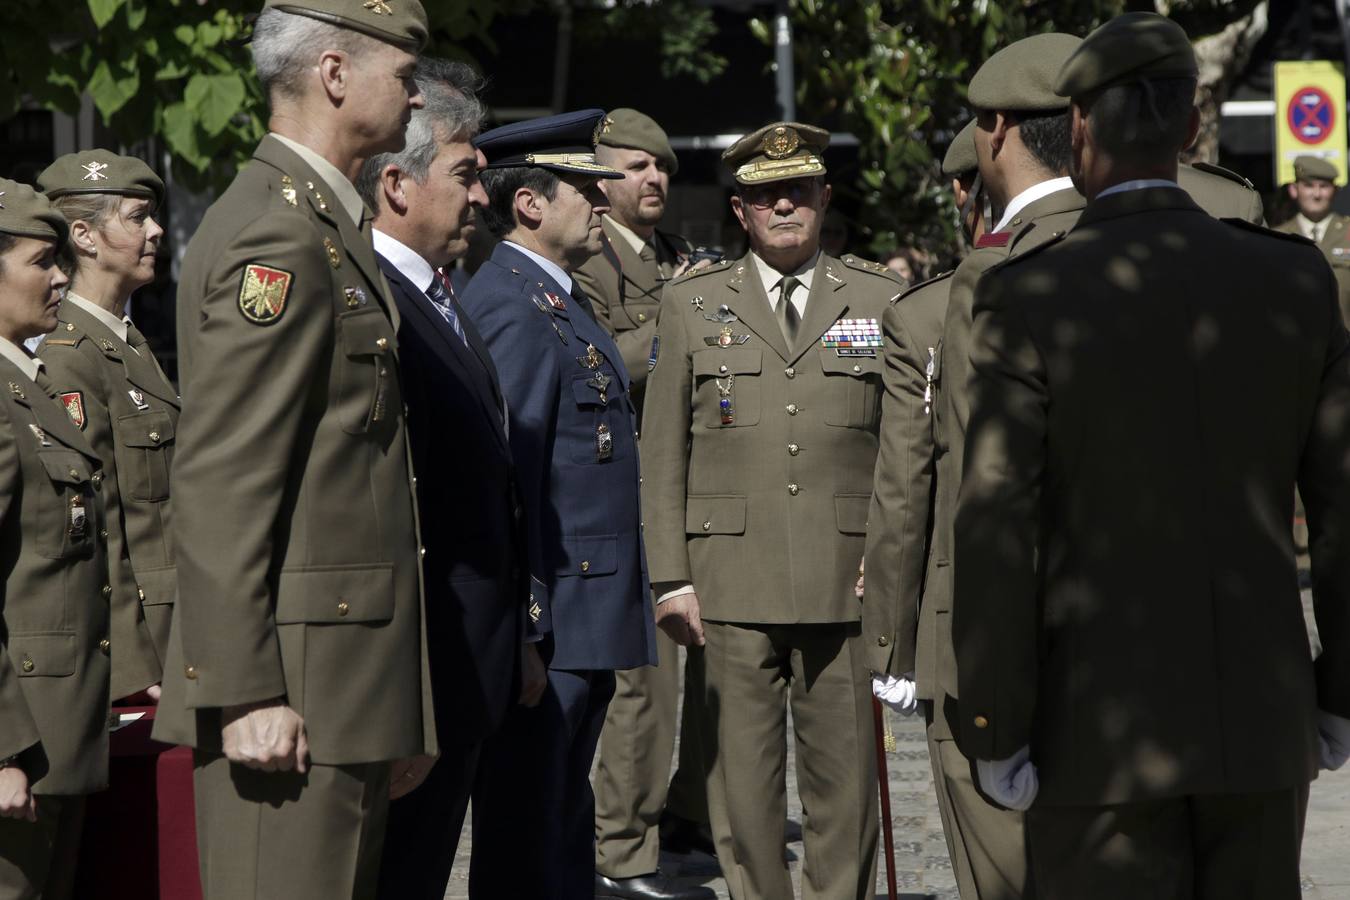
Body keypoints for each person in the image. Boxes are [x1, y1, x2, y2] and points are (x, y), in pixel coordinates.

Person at [953, 14, 1350, 898]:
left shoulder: (1033, 292)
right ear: (1191, 130)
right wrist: (1338, 694)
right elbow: (1340, 511)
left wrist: (996, 722)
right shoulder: (1292, 278)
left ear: (1080, 130)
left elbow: (994, 527)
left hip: (1098, 734)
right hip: (1262, 720)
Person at [150, 3, 437, 898]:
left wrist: (404, 702)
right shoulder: (275, 233)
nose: (418, 91)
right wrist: (243, 692)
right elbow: (226, 473)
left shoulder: (324, 221)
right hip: (290, 692)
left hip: (342, 686)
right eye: (405, 70)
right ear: (335, 73)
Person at [641, 121, 905, 900]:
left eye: (798, 191)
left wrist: (892, 564)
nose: (783, 206)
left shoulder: (880, 298)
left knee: (847, 788)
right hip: (729, 583)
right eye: (765, 195)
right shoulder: (690, 305)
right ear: (739, 210)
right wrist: (670, 578)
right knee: (741, 791)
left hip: (845, 578)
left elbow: (903, 448)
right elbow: (663, 456)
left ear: (825, 198)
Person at [459, 109, 658, 900]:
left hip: (584, 610)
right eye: (582, 188)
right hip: (555, 616)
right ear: (530, 205)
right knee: (528, 833)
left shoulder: (553, 298)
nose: (602, 203)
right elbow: (511, 477)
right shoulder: (512, 305)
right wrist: (529, 627)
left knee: (562, 821)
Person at [354, 58, 536, 899]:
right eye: (465, 175)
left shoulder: (438, 292)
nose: (481, 197)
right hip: (419, 684)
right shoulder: (379, 302)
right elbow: (383, 516)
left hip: (467, 671)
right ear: (396, 182)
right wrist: (408, 704)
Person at [861, 115, 1002, 899]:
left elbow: (905, 492)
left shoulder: (927, 314)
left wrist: (893, 643)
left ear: (960, 191)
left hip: (970, 623)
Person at [574, 108, 713, 900]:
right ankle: (621, 848)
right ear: (601, 179)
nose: (655, 178)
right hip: (627, 489)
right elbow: (598, 367)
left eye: (661, 167)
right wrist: (676, 318)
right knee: (646, 677)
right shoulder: (591, 265)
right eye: (636, 167)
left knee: (715, 668)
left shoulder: (676, 257)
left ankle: (688, 815)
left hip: (699, 485)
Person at [0, 178, 110, 900]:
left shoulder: (28, 385)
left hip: (60, 736)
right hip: (22, 744)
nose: (63, 276)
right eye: (43, 260)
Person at [37, 151, 175, 705]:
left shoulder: (126, 341)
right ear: (85, 236)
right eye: (138, 217)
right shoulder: (70, 358)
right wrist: (133, 669)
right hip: (144, 651)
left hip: (175, 625)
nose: (157, 230)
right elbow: (94, 524)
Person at [1275, 155, 1350, 322]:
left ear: (1335, 190)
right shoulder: (1278, 237)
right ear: (1294, 190)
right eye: (1308, 186)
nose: (1316, 194)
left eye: (1324, 186)